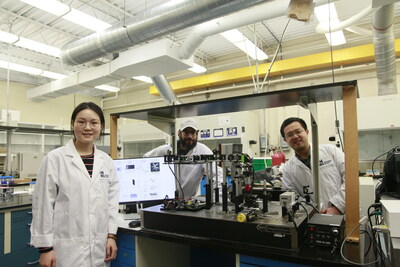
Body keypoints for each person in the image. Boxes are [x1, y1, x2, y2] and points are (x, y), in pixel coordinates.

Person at [30, 102, 119, 267]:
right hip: (66, 250)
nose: (87, 127)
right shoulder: (55, 159)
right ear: (73, 124)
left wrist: (111, 236)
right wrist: (45, 249)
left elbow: (111, 203)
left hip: (99, 248)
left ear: (101, 126)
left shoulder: (106, 161)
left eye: (94, 123)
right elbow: (43, 205)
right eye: (81, 122)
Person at [280, 117, 345, 215]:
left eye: (298, 131)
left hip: (344, 213)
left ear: (307, 132)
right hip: (313, 217)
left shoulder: (331, 151)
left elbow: (350, 178)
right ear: (285, 140)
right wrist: (310, 210)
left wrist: (338, 206)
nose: (295, 136)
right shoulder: (288, 169)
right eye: (290, 135)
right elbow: (293, 195)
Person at [144, 117, 222, 198]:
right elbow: (145, 159)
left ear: (197, 134)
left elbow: (218, 175)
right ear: (179, 133)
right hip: (164, 200)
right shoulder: (166, 150)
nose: (190, 136)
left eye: (193, 133)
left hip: (188, 202)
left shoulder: (203, 151)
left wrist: (217, 198)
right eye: (186, 132)